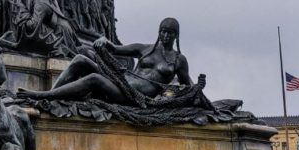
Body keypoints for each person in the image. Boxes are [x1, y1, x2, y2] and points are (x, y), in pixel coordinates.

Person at [22, 17, 190, 103]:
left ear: (176, 35)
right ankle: (50, 96)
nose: (165, 35)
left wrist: (171, 95)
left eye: (170, 32)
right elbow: (114, 48)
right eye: (163, 31)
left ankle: (44, 96)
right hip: (120, 80)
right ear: (159, 32)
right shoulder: (145, 48)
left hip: (131, 96)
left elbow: (186, 87)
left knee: (94, 79)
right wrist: (103, 40)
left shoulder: (178, 60)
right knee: (80, 59)